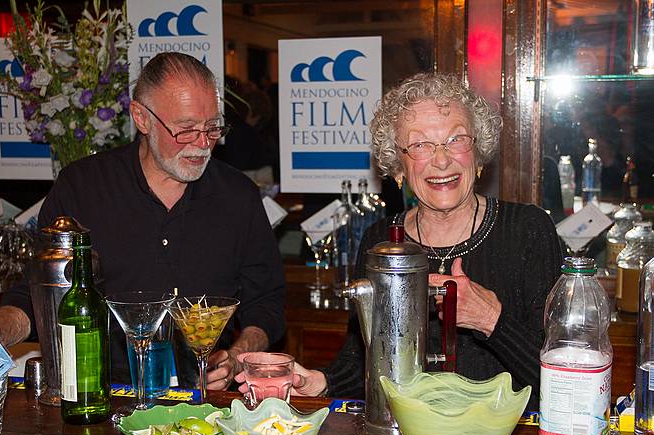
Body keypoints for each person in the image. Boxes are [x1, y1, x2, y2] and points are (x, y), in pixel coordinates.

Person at [0, 52, 286, 390]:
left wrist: (238, 354)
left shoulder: (238, 195)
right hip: (103, 393)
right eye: (186, 130)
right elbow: (36, 295)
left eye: (213, 128)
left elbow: (267, 303)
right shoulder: (83, 188)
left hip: (204, 396)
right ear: (141, 118)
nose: (203, 144)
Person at [236, 73, 563, 410]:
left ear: (478, 155)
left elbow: (562, 378)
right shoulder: (381, 240)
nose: (441, 159)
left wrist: (492, 319)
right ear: (398, 166)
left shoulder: (529, 230)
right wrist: (320, 382)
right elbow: (363, 358)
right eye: (420, 145)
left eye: (456, 140)